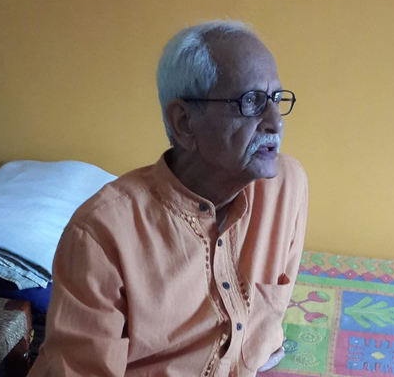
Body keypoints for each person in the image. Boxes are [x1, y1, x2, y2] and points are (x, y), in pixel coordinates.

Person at [29, 20, 308, 377]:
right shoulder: (100, 236)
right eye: (251, 101)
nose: (275, 123)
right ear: (184, 123)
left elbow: (262, 329)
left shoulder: (286, 186)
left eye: (276, 100)